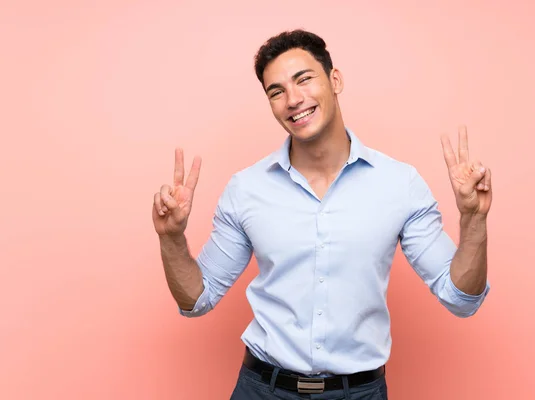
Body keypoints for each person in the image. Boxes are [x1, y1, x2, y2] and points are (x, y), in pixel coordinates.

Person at [152, 29, 492, 400]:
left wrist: (473, 220)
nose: (293, 100)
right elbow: (196, 299)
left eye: (304, 79)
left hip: (358, 393)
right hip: (261, 390)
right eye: (276, 91)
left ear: (335, 80)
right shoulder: (247, 188)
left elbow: (461, 299)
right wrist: (171, 238)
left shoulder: (399, 184)